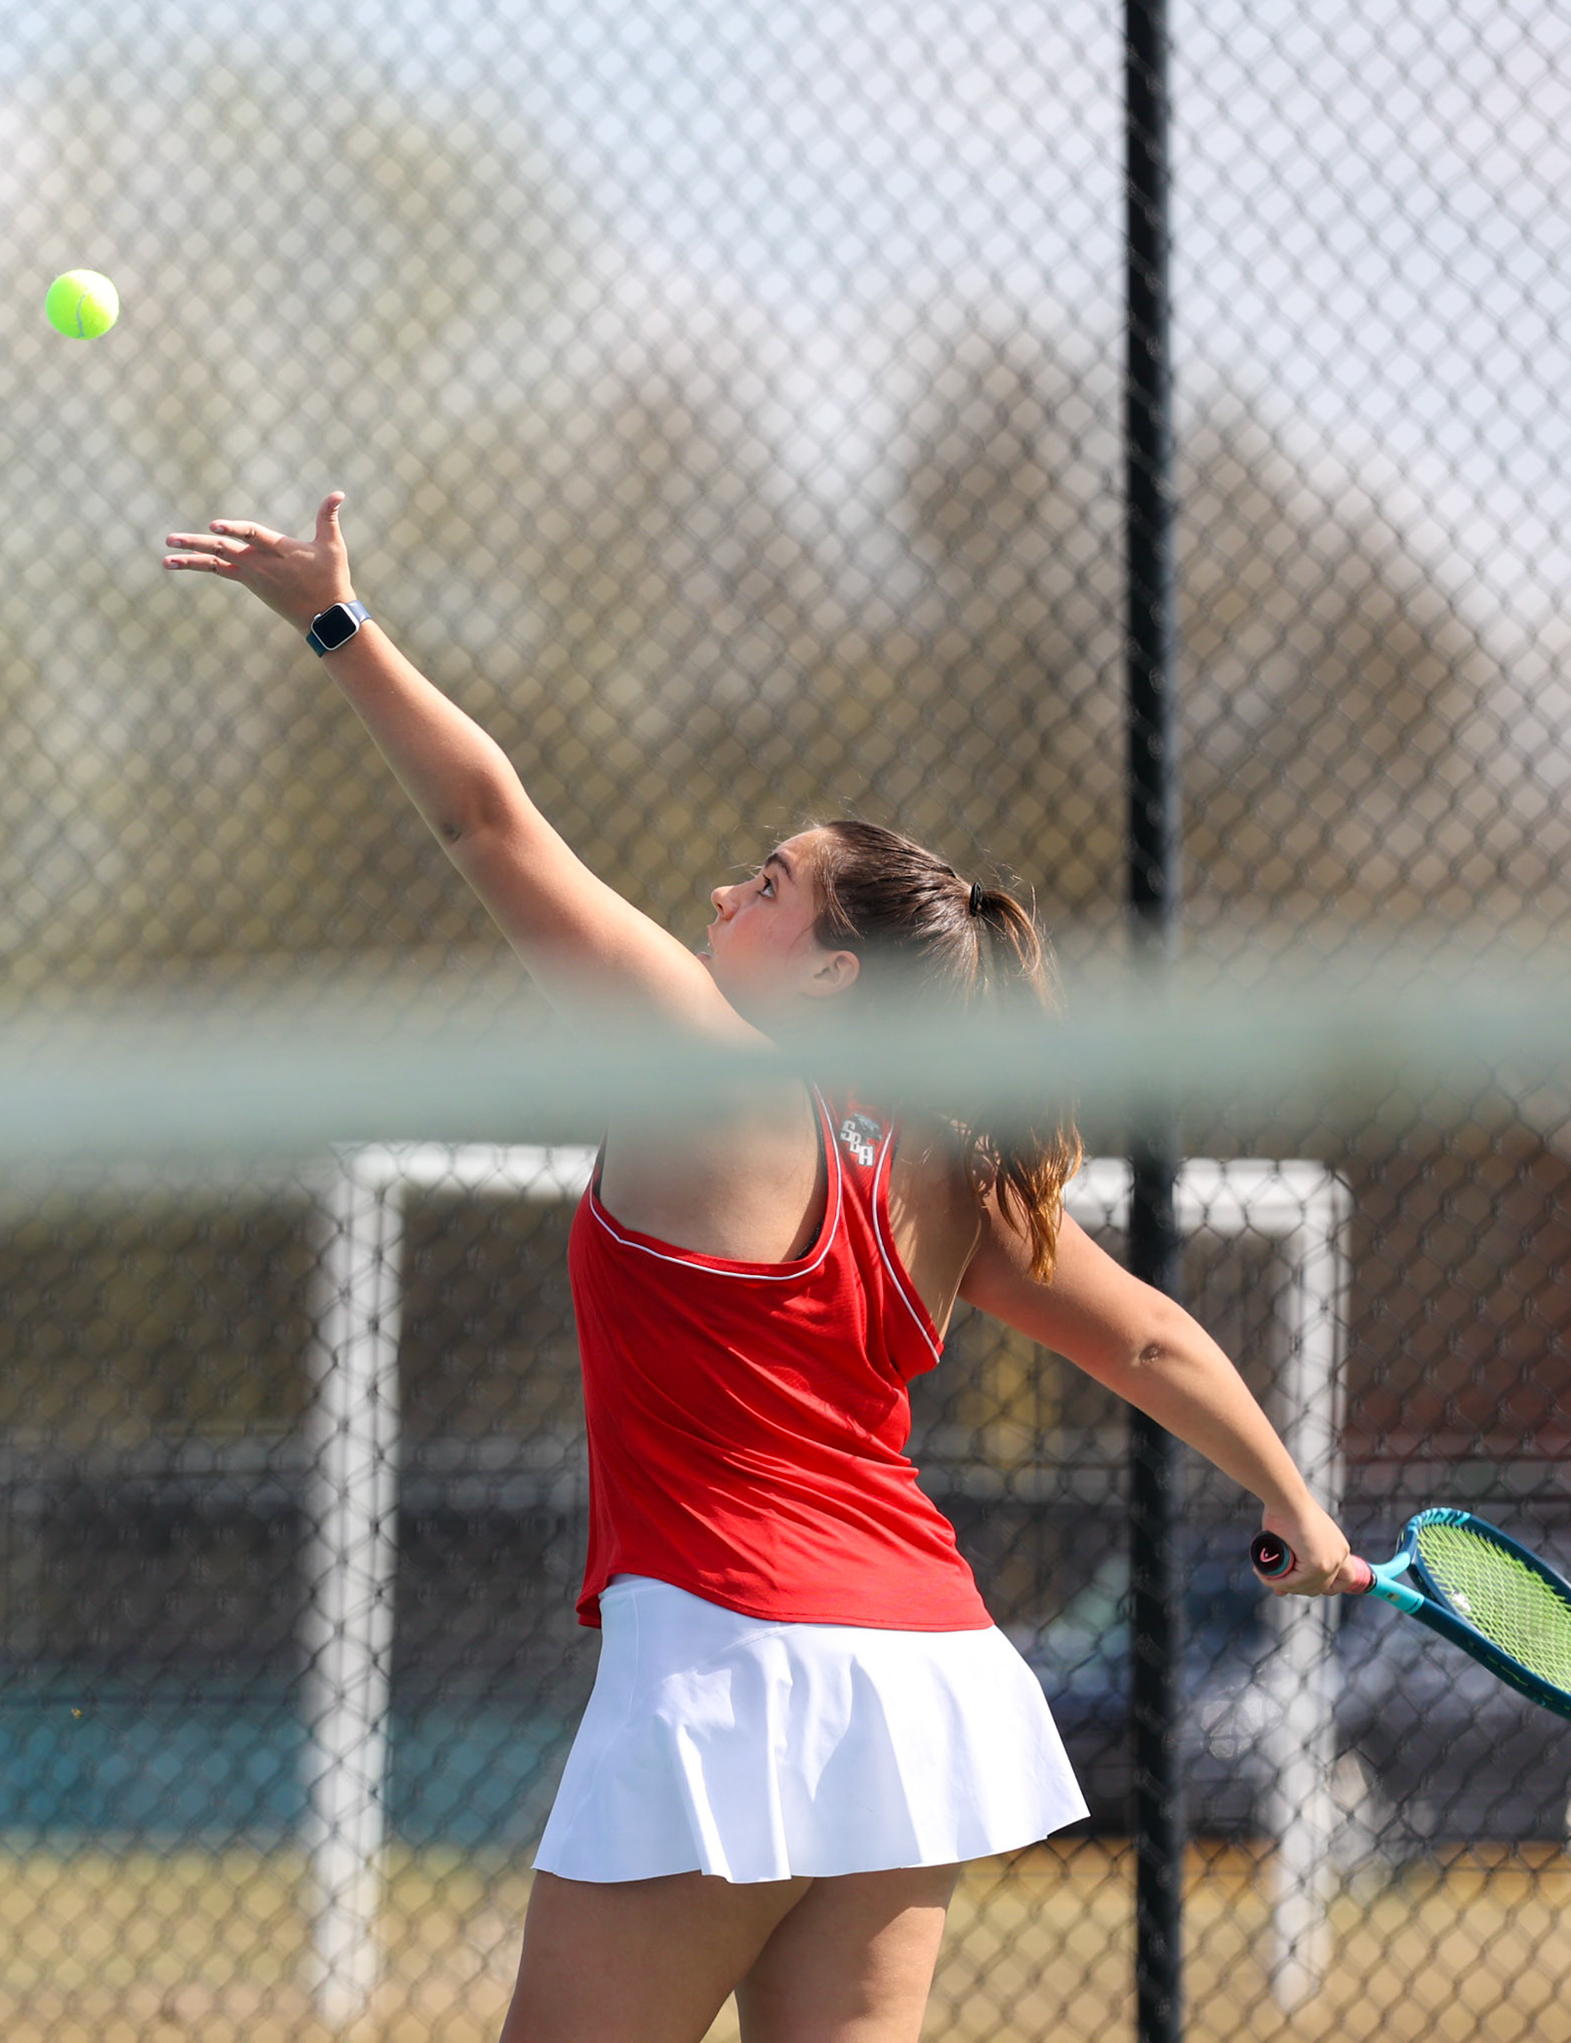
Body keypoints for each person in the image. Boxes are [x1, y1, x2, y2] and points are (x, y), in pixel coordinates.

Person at [164, 494, 1361, 2043]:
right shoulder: (951, 1166)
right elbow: (1147, 1340)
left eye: (771, 885)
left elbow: (486, 821)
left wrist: (335, 621)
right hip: (920, 1668)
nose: (730, 894)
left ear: (834, 975)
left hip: (738, 1668)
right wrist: (1294, 1499)